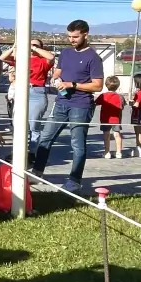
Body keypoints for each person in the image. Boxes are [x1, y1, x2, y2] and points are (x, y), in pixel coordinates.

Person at [30, 20, 104, 194]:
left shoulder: (93, 57)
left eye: (75, 37)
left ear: (85, 35)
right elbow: (58, 71)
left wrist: (73, 84)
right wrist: (56, 79)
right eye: (69, 36)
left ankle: (74, 181)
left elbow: (98, 86)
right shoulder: (65, 53)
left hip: (81, 105)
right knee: (45, 138)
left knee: (77, 144)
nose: (72, 40)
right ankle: (37, 173)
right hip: (61, 103)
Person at [0, 38, 55, 156]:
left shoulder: (43, 61)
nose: (31, 46)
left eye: (35, 45)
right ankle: (19, 153)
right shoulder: (22, 59)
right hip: (21, 91)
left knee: (33, 125)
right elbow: (2, 58)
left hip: (37, 92)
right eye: (30, 44)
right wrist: (14, 46)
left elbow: (51, 57)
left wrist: (34, 48)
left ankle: (32, 153)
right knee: (19, 124)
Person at [95, 76, 125, 159]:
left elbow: (95, 103)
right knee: (117, 135)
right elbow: (122, 106)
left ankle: (107, 152)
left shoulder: (103, 96)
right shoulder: (120, 97)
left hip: (105, 119)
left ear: (106, 85)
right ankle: (119, 152)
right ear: (118, 86)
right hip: (116, 119)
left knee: (106, 135)